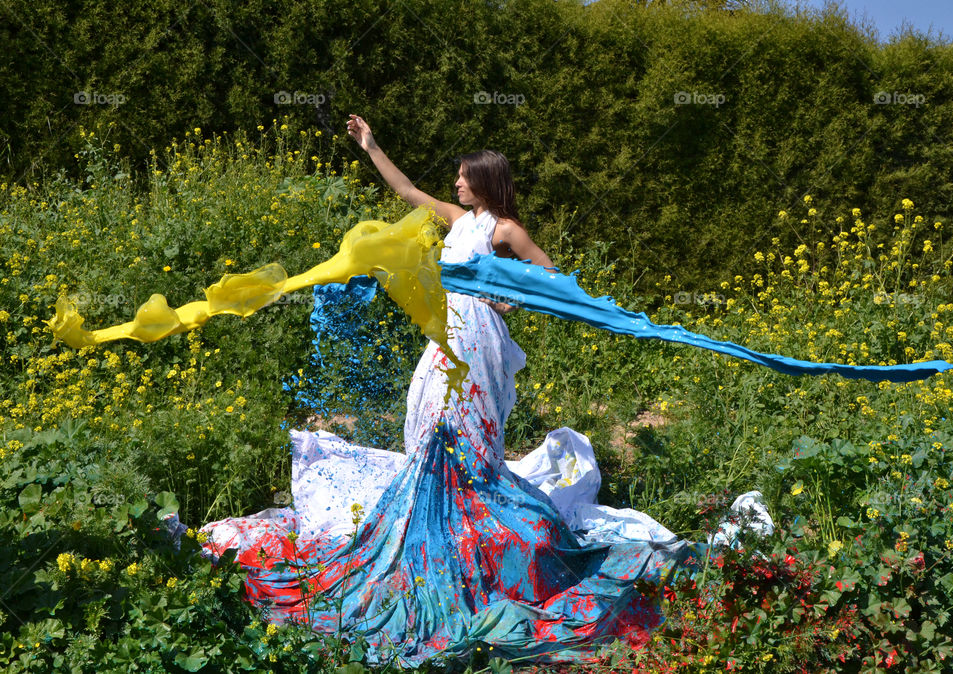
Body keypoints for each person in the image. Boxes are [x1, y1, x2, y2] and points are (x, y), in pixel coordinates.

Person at [198, 115, 749, 667]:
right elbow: (408, 191)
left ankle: (471, 508)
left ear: (486, 180)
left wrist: (509, 300)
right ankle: (437, 506)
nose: (456, 184)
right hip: (446, 329)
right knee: (426, 414)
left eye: (464, 177)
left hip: (477, 334)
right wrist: (371, 146)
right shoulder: (459, 220)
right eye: (457, 178)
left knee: (463, 422)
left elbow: (550, 275)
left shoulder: (502, 229)